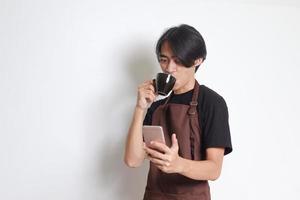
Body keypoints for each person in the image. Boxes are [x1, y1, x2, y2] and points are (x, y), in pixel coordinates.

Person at [124, 24, 232, 200]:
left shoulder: (212, 103)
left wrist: (178, 164)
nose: (169, 68)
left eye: (178, 60)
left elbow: (214, 169)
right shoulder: (157, 107)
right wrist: (140, 108)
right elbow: (132, 160)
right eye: (164, 59)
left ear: (198, 60)